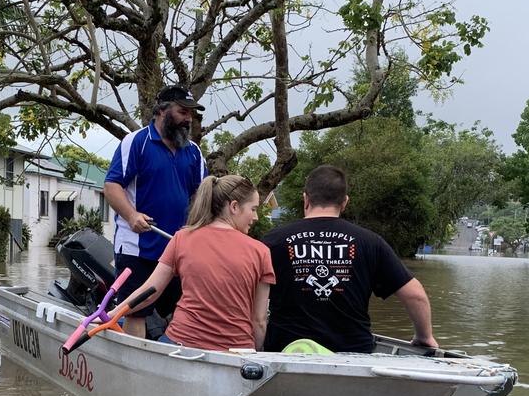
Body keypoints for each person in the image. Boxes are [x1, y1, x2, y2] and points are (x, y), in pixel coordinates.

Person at [262, 165, 438, 354]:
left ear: (306, 199)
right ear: (345, 202)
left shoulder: (273, 241)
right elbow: (416, 296)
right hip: (354, 354)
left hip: (286, 352)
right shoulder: (370, 242)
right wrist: (424, 337)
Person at [113, 175, 275, 351]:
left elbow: (149, 292)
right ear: (234, 207)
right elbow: (258, 321)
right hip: (234, 353)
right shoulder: (261, 252)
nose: (256, 217)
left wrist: (110, 314)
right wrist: (255, 357)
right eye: (253, 209)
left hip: (179, 345)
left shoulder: (182, 238)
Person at [103, 85, 207, 339]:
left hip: (178, 249)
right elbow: (111, 184)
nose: (188, 119)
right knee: (136, 311)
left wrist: (197, 228)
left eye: (191, 114)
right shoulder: (136, 142)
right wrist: (131, 215)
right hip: (137, 247)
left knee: (185, 311)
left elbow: (202, 196)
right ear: (162, 111)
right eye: (183, 112)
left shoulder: (193, 152)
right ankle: (131, 370)